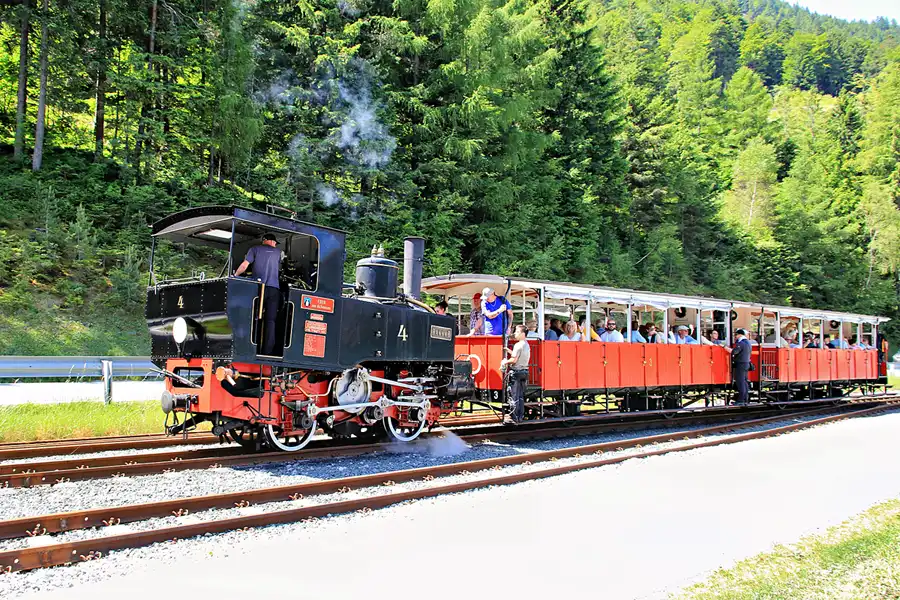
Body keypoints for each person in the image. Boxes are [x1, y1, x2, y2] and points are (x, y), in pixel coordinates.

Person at [234, 233, 282, 355]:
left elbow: (245, 265)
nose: (275, 245)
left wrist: (235, 276)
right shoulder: (278, 253)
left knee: (252, 316)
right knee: (271, 320)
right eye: (275, 242)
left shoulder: (254, 249)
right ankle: (267, 351)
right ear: (270, 241)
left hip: (258, 288)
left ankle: (249, 347)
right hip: (274, 289)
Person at [500, 324, 531, 423]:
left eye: (517, 332)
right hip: (524, 372)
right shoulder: (526, 344)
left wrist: (505, 361)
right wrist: (509, 351)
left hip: (516, 372)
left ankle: (514, 417)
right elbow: (519, 355)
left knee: (513, 395)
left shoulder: (518, 345)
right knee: (520, 396)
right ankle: (520, 416)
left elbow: (514, 360)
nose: (515, 333)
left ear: (523, 334)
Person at [731, 328, 752, 405]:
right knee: (744, 381)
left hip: (741, 364)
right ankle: (745, 398)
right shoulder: (748, 343)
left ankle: (741, 400)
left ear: (740, 335)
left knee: (740, 382)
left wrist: (725, 348)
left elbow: (734, 352)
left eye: (736, 335)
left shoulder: (741, 343)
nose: (735, 336)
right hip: (746, 363)